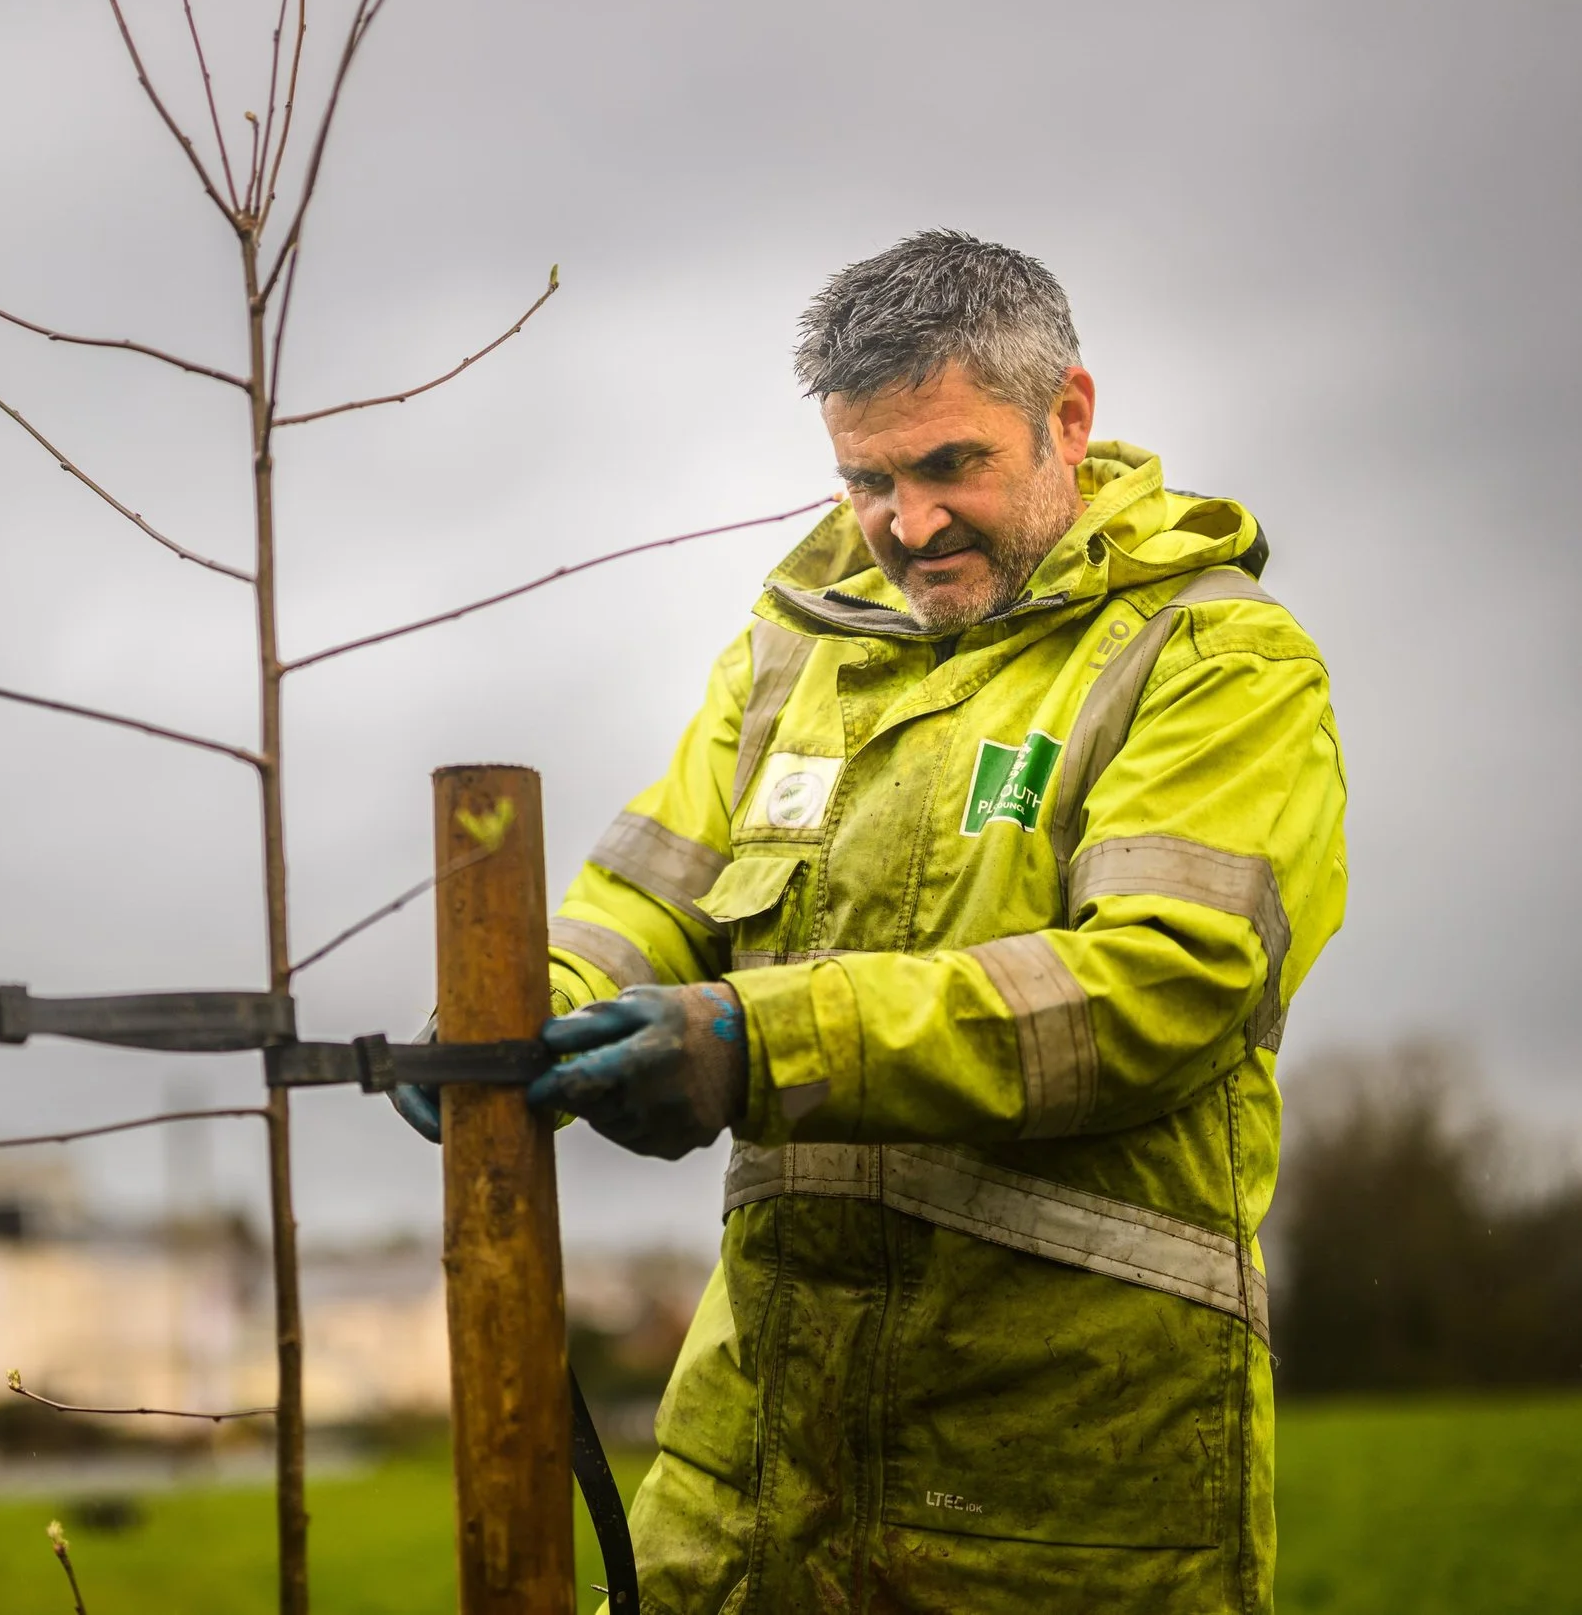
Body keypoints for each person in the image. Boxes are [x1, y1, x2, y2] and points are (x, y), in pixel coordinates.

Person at [393, 230, 1346, 1614]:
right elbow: (649, 897)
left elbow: (1159, 989)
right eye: (867, 478)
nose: (905, 525)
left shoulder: (1213, 659)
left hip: (1057, 1478)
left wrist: (755, 1040)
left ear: (1067, 415)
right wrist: (508, 1008)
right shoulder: (796, 651)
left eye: (950, 464)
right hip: (756, 1465)